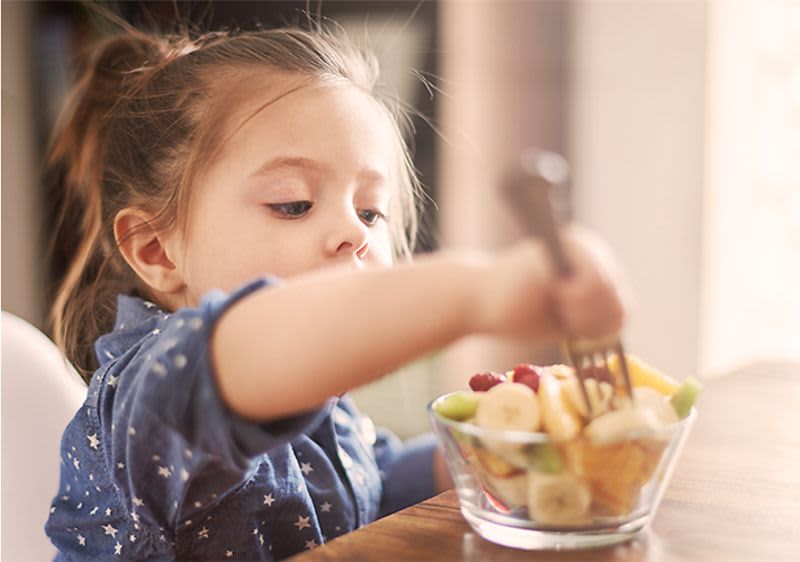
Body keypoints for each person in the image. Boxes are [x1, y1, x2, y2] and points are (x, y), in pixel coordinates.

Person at [43, 24, 627, 560]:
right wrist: (480, 290)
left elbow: (365, 486)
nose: (354, 231)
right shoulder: (152, 396)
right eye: (293, 204)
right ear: (155, 249)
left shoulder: (320, 404)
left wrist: (484, 454)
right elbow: (259, 342)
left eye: (372, 212)